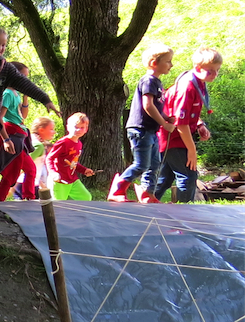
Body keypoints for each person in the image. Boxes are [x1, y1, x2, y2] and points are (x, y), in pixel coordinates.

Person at [0, 27, 60, 205]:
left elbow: (25, 84)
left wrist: (45, 100)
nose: (0, 48)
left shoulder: (6, 68)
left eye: (3, 45)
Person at [108, 44, 176, 202]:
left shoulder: (157, 83)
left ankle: (147, 193)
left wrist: (166, 117)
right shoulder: (148, 81)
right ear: (154, 63)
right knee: (141, 165)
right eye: (168, 61)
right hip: (140, 129)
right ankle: (117, 190)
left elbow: (156, 107)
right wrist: (164, 124)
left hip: (150, 130)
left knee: (154, 164)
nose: (171, 65)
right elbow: (148, 105)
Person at [155, 47, 223, 203]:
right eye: (210, 71)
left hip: (179, 136)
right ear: (197, 68)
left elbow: (189, 111)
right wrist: (192, 151)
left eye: (217, 70)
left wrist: (199, 124)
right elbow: (181, 123)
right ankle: (184, 212)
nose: (215, 74)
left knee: (165, 178)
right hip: (173, 137)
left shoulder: (199, 82)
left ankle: (146, 205)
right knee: (188, 175)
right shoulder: (187, 87)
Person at [0, 62, 38, 202]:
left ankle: (28, 197)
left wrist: (25, 97)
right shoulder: (7, 93)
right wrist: (6, 139)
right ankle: (0, 199)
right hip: (12, 134)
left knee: (29, 169)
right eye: (22, 76)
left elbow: (23, 115)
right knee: (14, 170)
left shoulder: (16, 93)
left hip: (20, 134)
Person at [47, 113, 96, 200]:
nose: (78, 130)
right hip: (60, 180)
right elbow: (49, 158)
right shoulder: (63, 142)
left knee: (86, 198)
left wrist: (84, 170)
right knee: (59, 205)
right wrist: (53, 173)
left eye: (82, 127)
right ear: (68, 127)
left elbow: (73, 162)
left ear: (86, 129)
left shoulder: (79, 144)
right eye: (76, 127)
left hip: (72, 179)